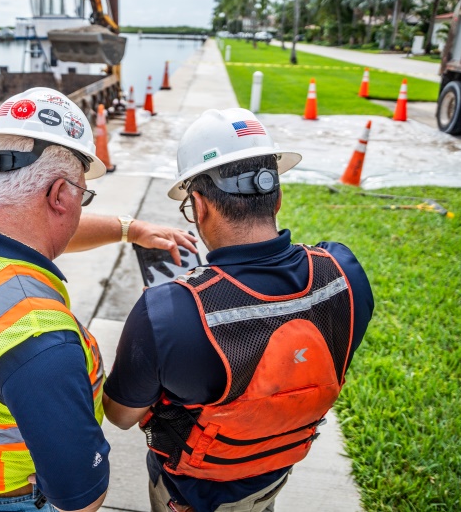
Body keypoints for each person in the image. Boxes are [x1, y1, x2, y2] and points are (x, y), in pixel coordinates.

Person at [0, 87, 196, 512]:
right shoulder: (36, 338)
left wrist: (128, 229)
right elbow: (82, 497)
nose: (78, 211)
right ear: (60, 195)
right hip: (10, 495)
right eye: (81, 196)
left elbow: (33, 227)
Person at [103, 108, 374, 512]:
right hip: (276, 473)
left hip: (191, 494)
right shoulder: (344, 274)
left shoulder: (168, 312)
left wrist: (156, 328)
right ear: (277, 196)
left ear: (199, 205)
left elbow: (121, 415)